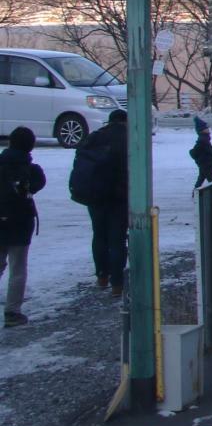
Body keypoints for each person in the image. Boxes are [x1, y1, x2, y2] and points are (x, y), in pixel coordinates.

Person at [70, 108, 130, 297]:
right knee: (117, 239)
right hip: (118, 196)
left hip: (94, 195)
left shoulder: (94, 137)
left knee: (99, 235)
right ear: (125, 121)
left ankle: (102, 276)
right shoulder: (128, 137)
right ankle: (117, 283)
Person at [0, 126, 45, 327]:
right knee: (18, 268)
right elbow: (38, 184)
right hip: (20, 223)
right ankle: (12, 312)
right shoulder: (32, 171)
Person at [190, 116, 212, 187]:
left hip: (205, 164)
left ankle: (195, 194)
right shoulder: (203, 140)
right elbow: (204, 150)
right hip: (206, 164)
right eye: (206, 128)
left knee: (201, 179)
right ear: (202, 130)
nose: (208, 129)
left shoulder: (204, 138)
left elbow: (205, 149)